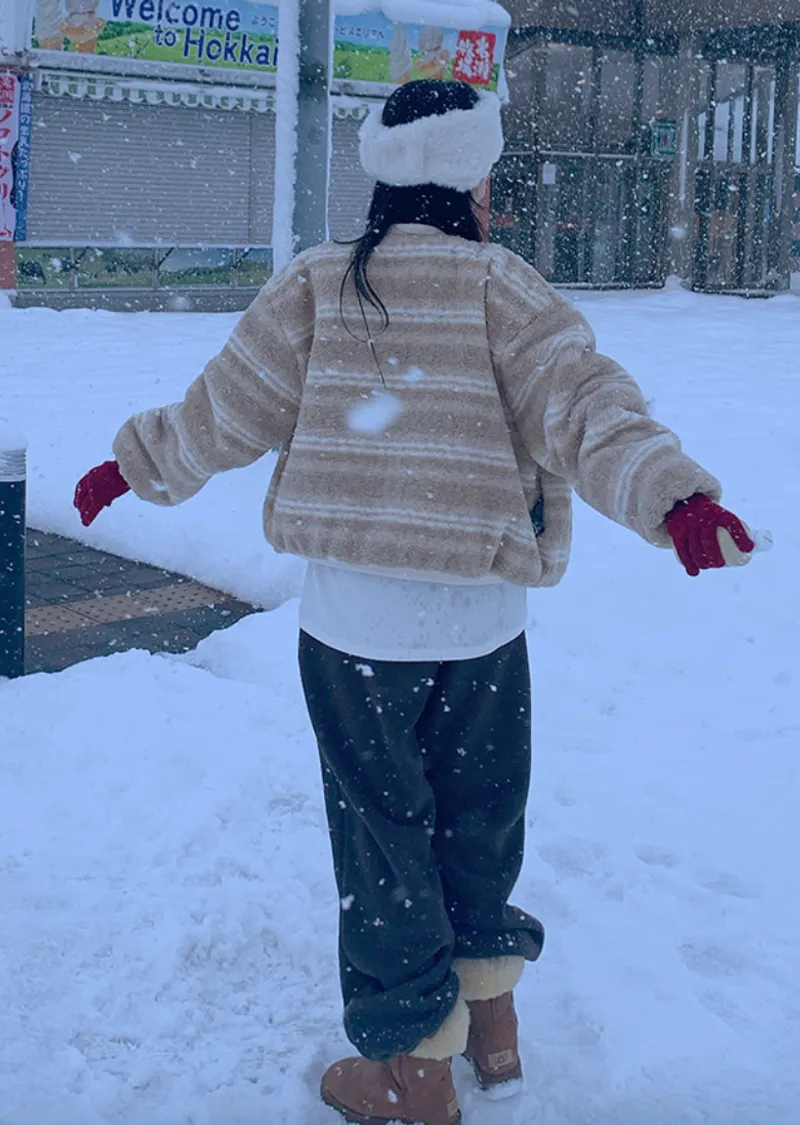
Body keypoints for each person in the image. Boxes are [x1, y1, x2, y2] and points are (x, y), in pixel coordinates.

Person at [74, 80, 755, 1125]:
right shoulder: (504, 287)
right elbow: (586, 403)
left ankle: (413, 1074)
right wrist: (674, 497)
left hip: (355, 627)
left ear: (380, 174)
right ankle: (492, 1027)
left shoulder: (317, 286)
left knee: (382, 840)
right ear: (475, 180)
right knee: (479, 818)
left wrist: (134, 467)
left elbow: (225, 410)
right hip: (483, 625)